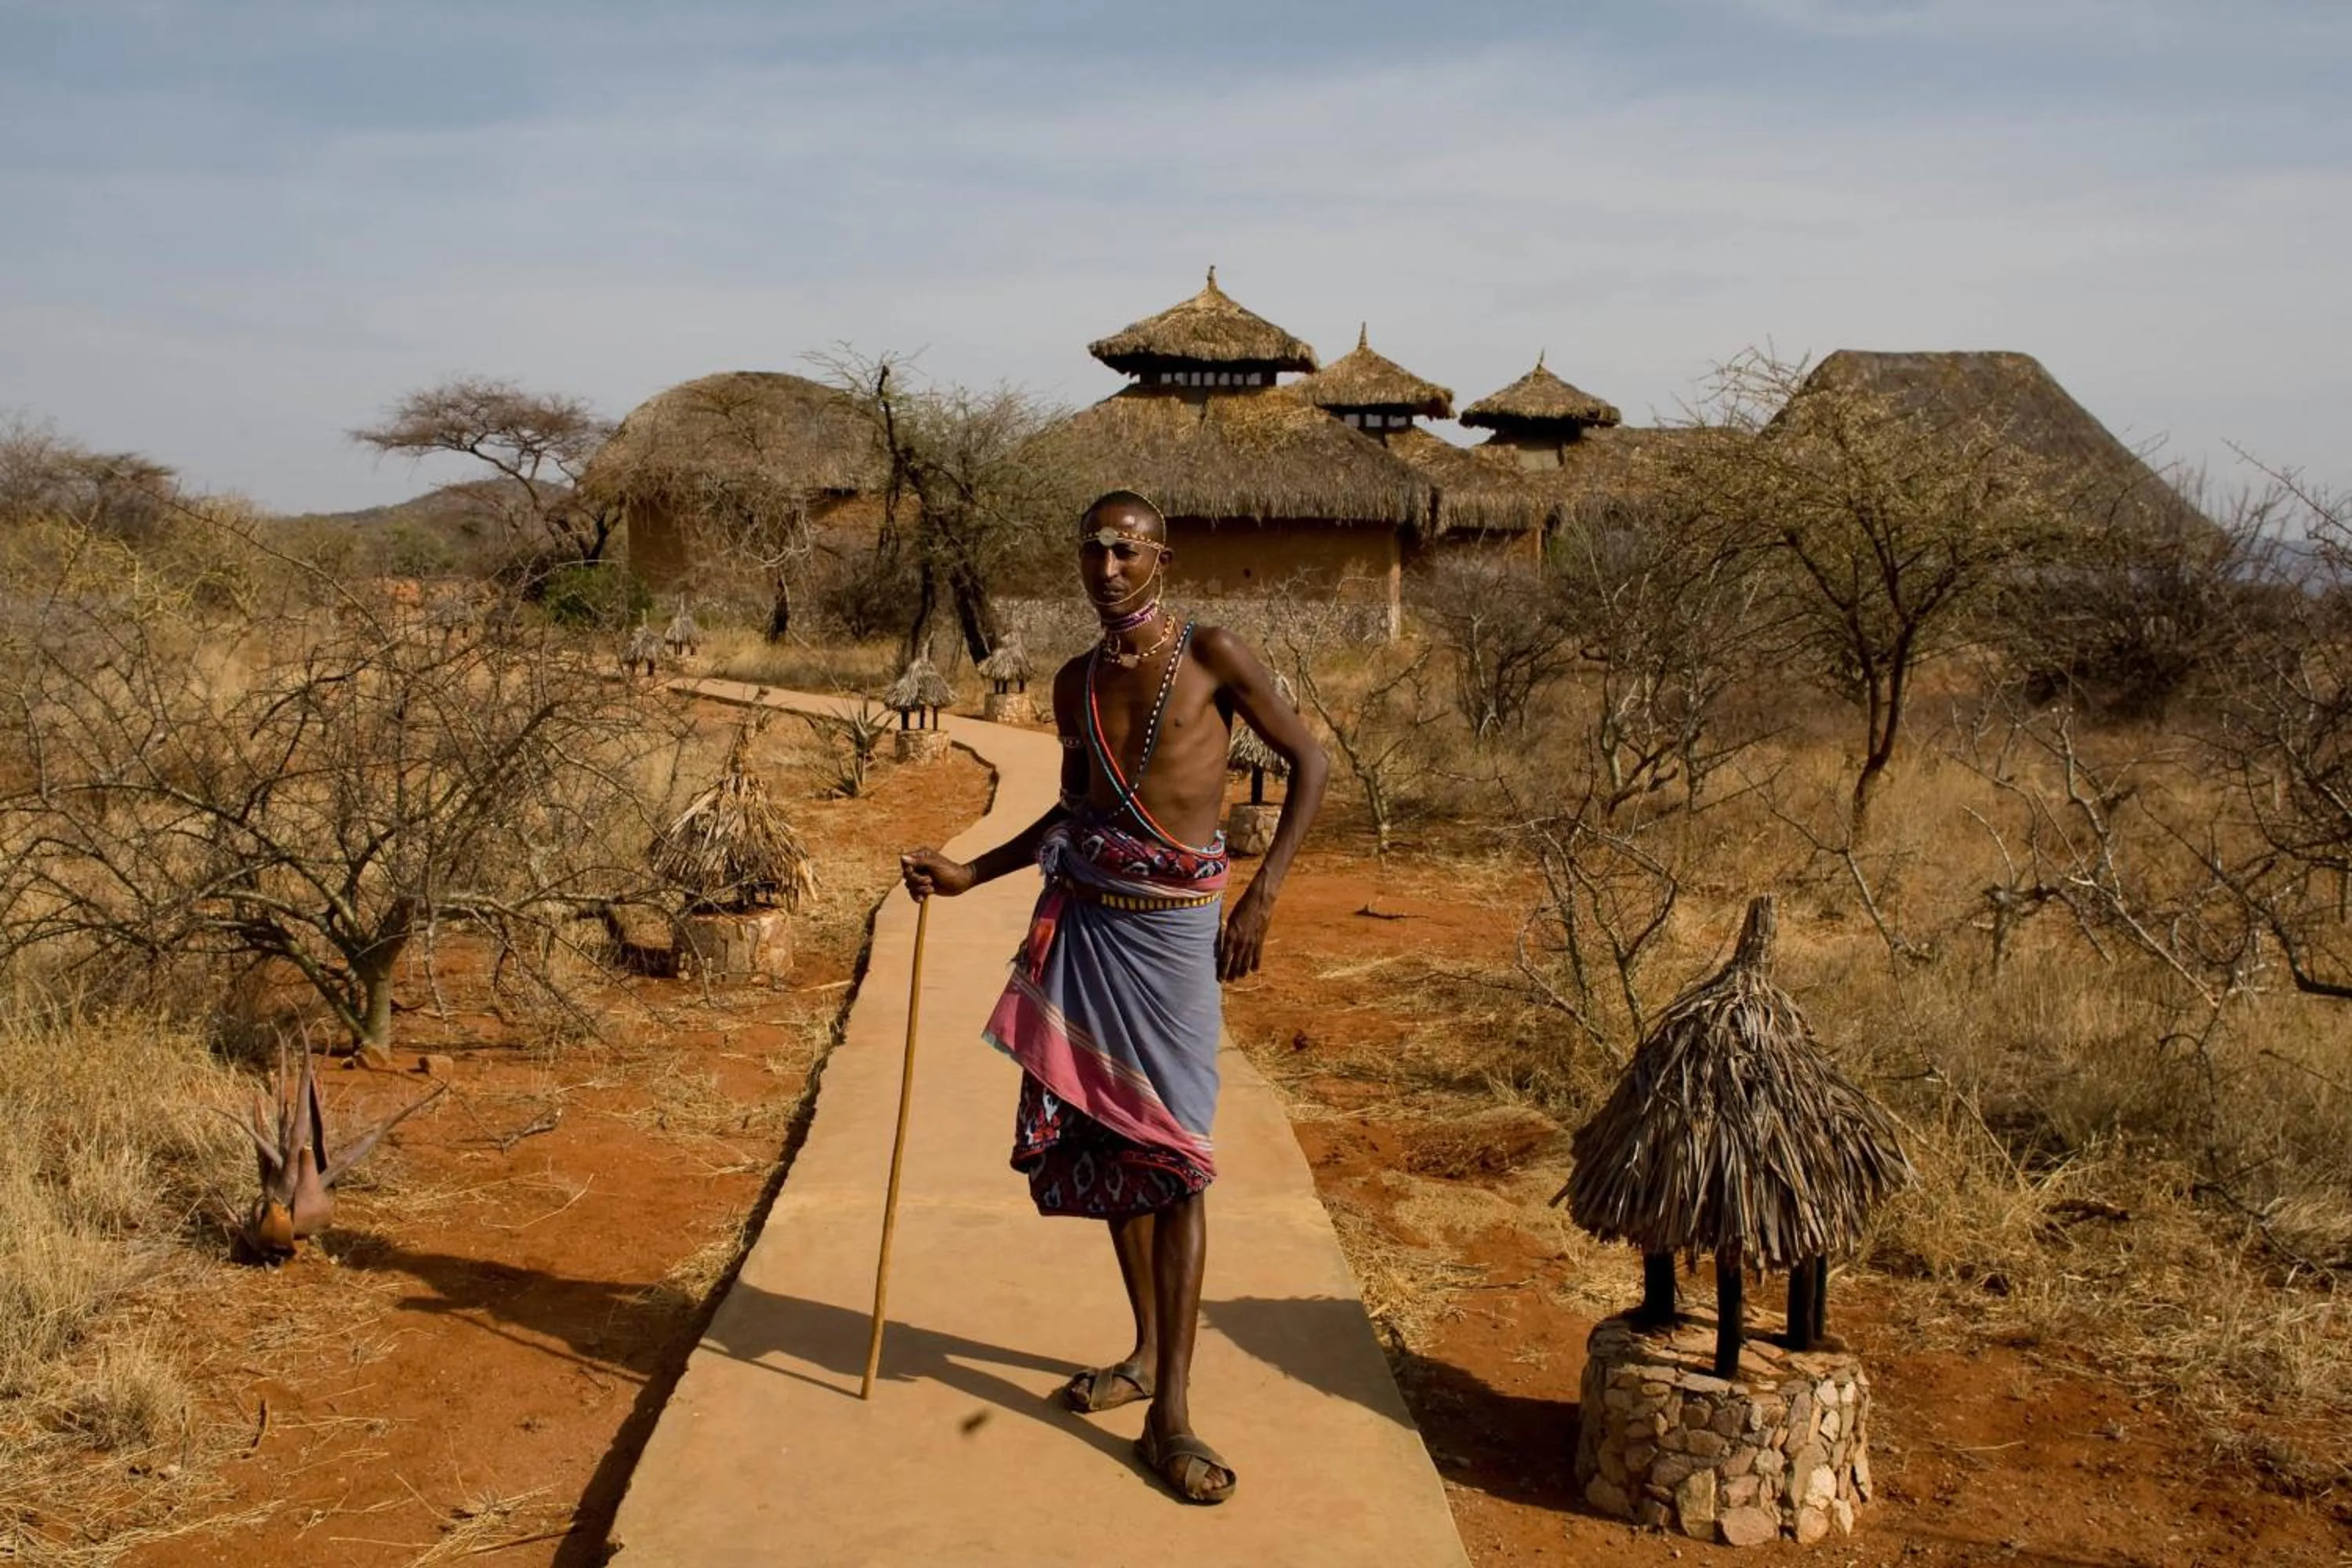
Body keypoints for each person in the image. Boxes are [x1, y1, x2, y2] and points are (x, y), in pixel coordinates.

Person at [899, 489, 1327, 1504]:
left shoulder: (1214, 653)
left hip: (1176, 938)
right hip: (1087, 923)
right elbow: (1073, 806)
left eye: (1125, 550)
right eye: (1092, 550)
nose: (1107, 568)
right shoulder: (1074, 683)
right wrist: (969, 872)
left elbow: (1310, 760)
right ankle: (1144, 1356)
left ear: (1160, 558)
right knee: (1109, 1140)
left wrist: (1262, 896)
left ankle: (1171, 1413)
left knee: (1177, 1160)